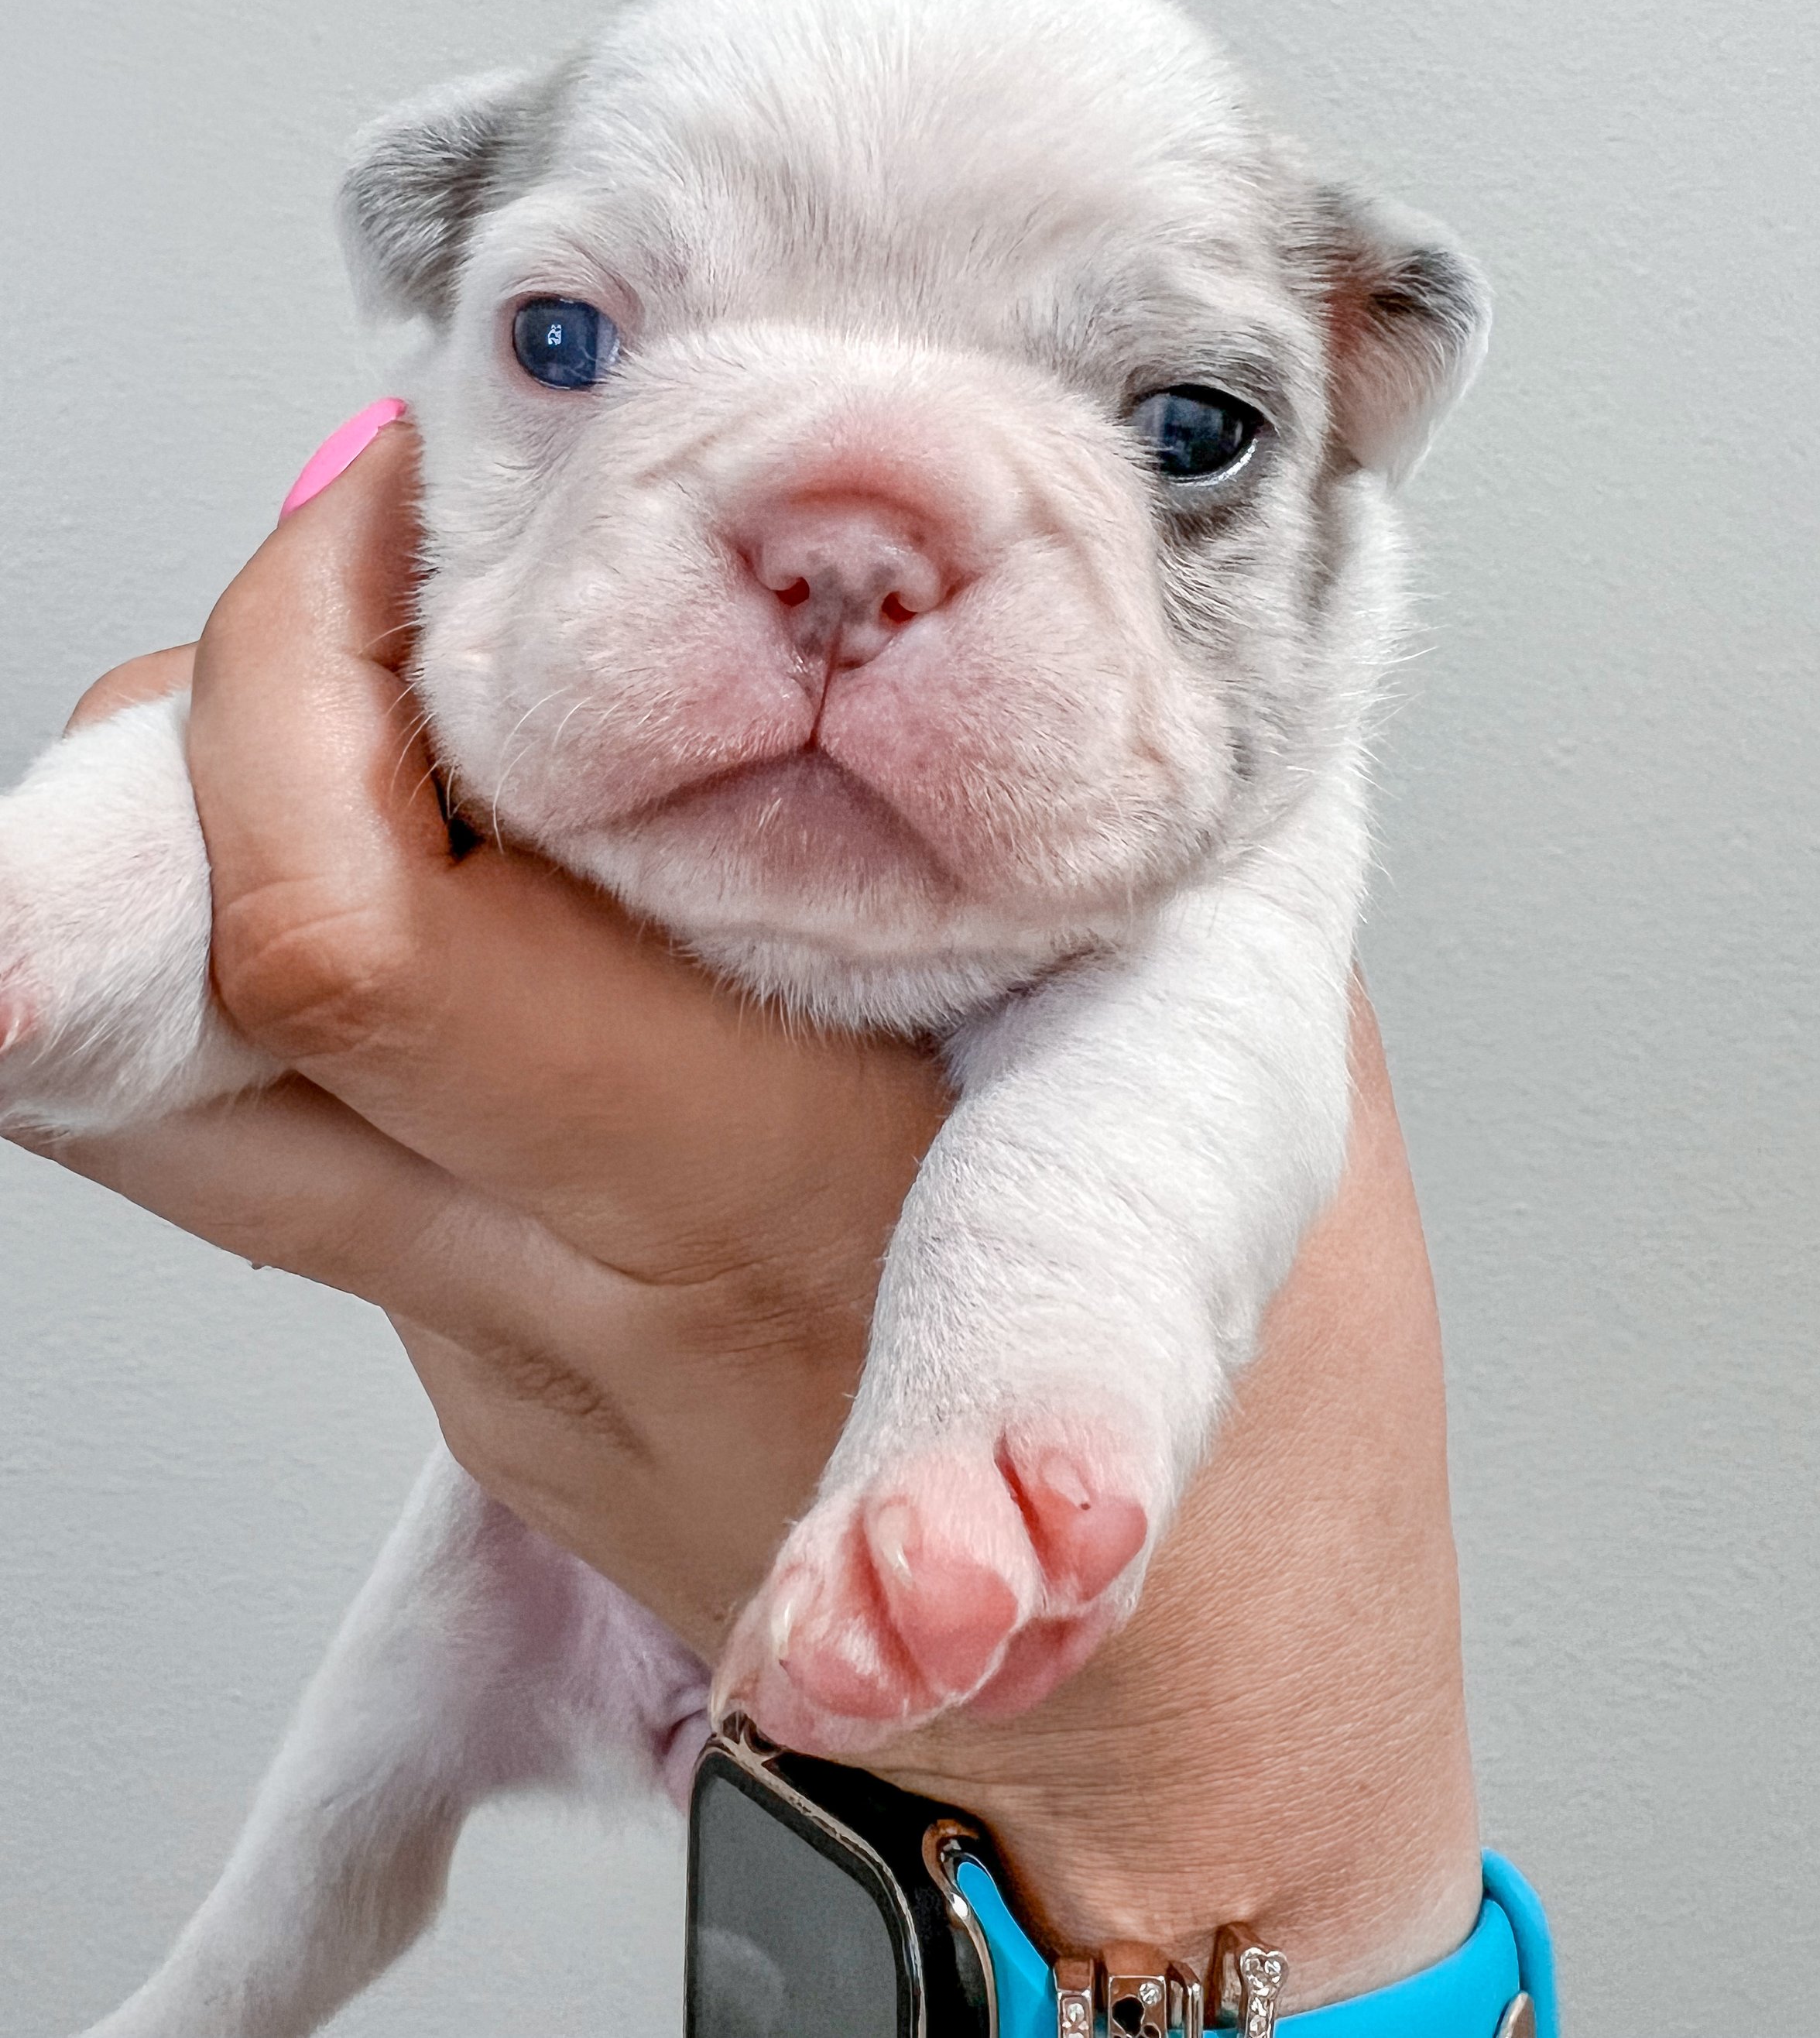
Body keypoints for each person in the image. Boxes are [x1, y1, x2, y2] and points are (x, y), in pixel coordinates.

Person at [14, 417, 1487, 2014]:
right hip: (543, 1532)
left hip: (1025, 1663)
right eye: (576, 345)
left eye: (1174, 431)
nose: (841, 564)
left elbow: (1162, 1055)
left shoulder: (1211, 796)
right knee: (306, 1874)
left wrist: (1154, 1766)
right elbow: (245, 865)